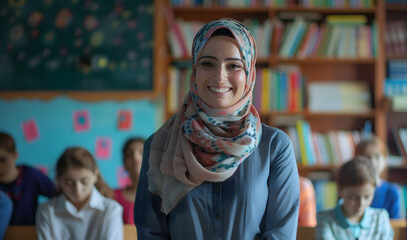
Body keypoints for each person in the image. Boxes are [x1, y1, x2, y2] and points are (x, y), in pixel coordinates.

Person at [134, 18, 300, 239]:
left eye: (234, 65)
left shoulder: (274, 146)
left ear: (249, 73)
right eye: (207, 64)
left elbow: (280, 232)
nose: (220, 76)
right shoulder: (160, 144)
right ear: (194, 69)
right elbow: (150, 233)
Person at [36, 147, 123, 240]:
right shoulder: (46, 211)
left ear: (95, 176)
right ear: (58, 180)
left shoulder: (111, 210)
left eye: (84, 181)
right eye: (69, 183)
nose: (78, 190)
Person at [315, 156, 394, 239]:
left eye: (367, 197)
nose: (361, 203)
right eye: (352, 197)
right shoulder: (325, 220)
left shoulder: (380, 219)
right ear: (340, 189)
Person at [0, 131, 56, 225]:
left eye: (2, 160)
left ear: (15, 155)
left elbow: (56, 194)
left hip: (30, 232)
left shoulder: (30, 175)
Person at [355, 136, 401, 219]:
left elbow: (395, 224)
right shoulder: (351, 189)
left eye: (377, 156)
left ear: (385, 159)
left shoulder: (392, 191)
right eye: (367, 157)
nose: (372, 162)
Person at [114, 137, 145, 224]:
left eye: (142, 152)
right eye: (129, 154)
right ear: (124, 163)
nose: (135, 157)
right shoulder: (113, 196)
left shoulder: (163, 197)